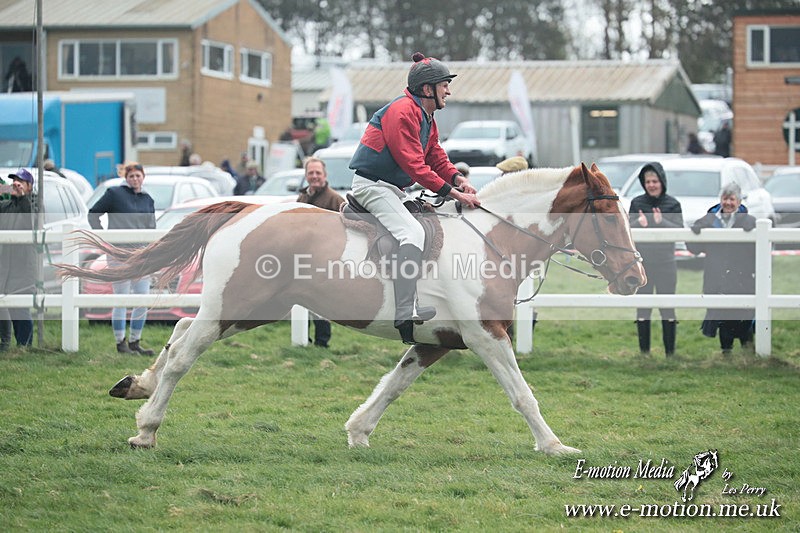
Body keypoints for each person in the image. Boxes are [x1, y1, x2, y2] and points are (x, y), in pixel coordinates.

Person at [349, 52, 480, 344]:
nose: (449, 90)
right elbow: (414, 166)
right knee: (411, 232)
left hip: (391, 188)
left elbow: (435, 156)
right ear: (427, 89)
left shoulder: (426, 117)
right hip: (372, 186)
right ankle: (405, 309)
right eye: (444, 84)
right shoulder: (402, 111)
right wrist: (452, 192)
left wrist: (458, 178)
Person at [88, 162, 156, 355]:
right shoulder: (114, 194)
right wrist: (105, 239)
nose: (135, 179)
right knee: (121, 298)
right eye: (131, 176)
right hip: (118, 254)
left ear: (143, 177)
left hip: (141, 255)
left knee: (142, 299)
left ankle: (135, 342)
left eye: (138, 175)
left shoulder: (148, 199)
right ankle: (120, 343)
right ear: (126, 178)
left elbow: (152, 228)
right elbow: (93, 214)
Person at [688, 183, 756, 355]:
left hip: (742, 278)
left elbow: (758, 252)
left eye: (732, 199)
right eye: (725, 199)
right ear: (720, 200)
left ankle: (748, 353)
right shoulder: (708, 220)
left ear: (739, 201)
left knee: (744, 315)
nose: (728, 203)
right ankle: (726, 353)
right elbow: (693, 248)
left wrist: (751, 231)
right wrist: (695, 233)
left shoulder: (750, 221)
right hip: (717, 277)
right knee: (724, 317)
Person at [628, 162, 684, 357]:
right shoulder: (637, 203)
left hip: (666, 264)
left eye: (655, 181)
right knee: (643, 308)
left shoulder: (673, 204)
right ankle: (644, 353)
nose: (651, 185)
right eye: (648, 181)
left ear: (662, 182)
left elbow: (680, 231)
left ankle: (670, 354)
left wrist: (663, 222)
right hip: (642, 265)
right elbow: (625, 231)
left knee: (667, 308)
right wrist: (638, 223)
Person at [297, 157, 346, 347]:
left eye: (318, 173)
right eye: (311, 173)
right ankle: (303, 340)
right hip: (303, 259)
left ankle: (322, 342)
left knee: (320, 302)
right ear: (306, 176)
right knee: (301, 300)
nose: (315, 176)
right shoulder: (302, 198)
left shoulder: (335, 199)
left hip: (325, 260)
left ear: (325, 175)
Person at [0, 169, 37, 350]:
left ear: (29, 187)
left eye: (21, 181)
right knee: (3, 306)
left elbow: (28, 221)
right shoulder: (5, 206)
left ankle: (25, 346)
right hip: (4, 265)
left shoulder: (32, 205)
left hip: (21, 267)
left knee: (19, 308)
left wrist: (23, 197)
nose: (16, 183)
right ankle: (5, 344)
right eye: (14, 181)